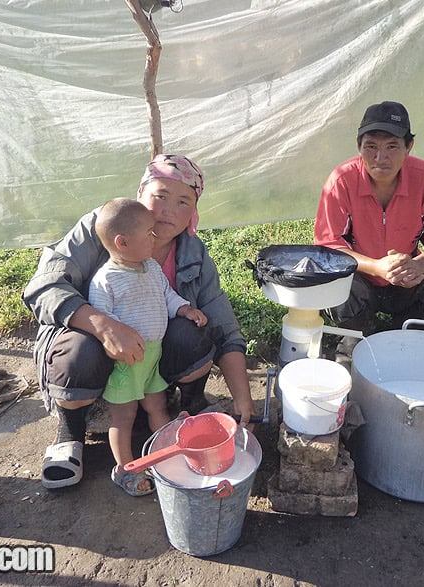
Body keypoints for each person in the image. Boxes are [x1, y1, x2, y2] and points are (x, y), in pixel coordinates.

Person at [23, 154, 255, 490]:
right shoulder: (101, 226)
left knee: (193, 332)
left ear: (194, 211)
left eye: (183, 202)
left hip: (148, 360)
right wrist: (103, 325)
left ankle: (188, 407)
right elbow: (44, 286)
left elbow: (224, 326)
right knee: (79, 351)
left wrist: (243, 402)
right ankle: (71, 431)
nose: (168, 211)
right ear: (141, 192)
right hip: (94, 346)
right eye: (159, 196)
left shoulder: (192, 254)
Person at [313, 101, 424, 360]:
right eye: (371, 147)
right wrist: (377, 266)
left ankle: (412, 325)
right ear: (359, 147)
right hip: (361, 279)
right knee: (330, 275)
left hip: (408, 281)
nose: (380, 158)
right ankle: (356, 330)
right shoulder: (341, 180)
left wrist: (416, 266)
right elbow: (329, 245)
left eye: (392, 147)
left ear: (408, 146)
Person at [89, 198, 208, 496]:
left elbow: (167, 296)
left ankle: (168, 454)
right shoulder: (107, 279)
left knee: (157, 406)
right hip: (126, 364)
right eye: (149, 234)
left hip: (153, 356)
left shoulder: (151, 267)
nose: (155, 239)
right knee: (124, 416)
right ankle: (126, 468)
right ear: (123, 242)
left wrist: (183, 310)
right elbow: (103, 320)